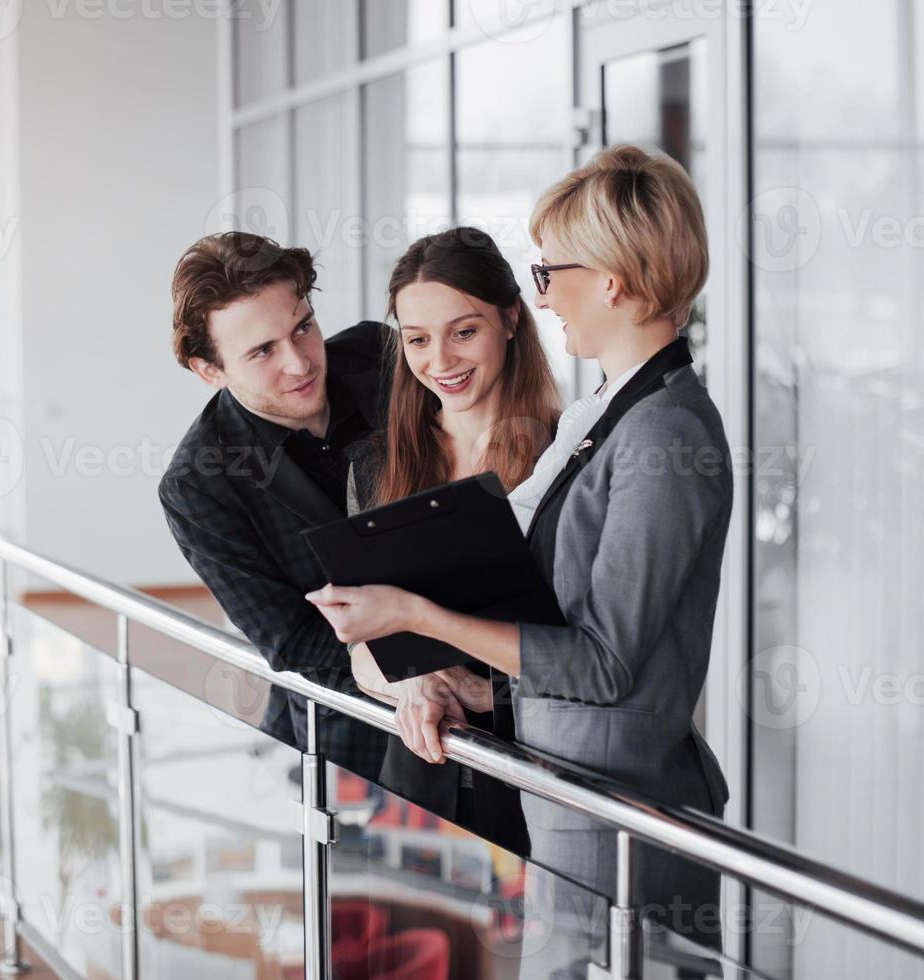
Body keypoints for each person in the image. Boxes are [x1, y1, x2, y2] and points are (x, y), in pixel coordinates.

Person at [307, 145, 732, 961]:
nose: (544, 295)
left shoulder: (666, 435)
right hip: (569, 794)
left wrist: (417, 614)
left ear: (610, 279)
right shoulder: (608, 412)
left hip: (615, 806)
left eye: (552, 272)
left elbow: (604, 663)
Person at [343, 226, 560, 857]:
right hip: (416, 781)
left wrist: (481, 691)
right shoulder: (375, 467)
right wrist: (412, 683)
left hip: (532, 778)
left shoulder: (562, 457)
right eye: (417, 340)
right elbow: (357, 645)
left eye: (464, 332)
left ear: (511, 318)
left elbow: (586, 645)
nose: (440, 361)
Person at [158, 231, 388, 780]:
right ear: (208, 371)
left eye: (303, 326)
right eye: (263, 351)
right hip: (348, 742)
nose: (300, 362)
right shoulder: (196, 484)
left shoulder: (385, 356)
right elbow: (294, 642)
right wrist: (413, 673)